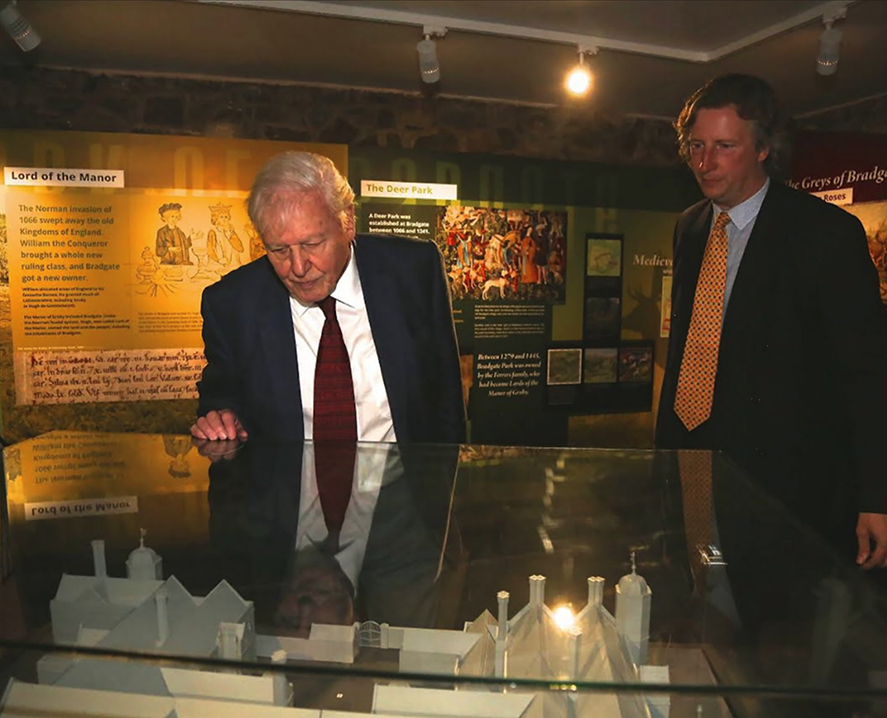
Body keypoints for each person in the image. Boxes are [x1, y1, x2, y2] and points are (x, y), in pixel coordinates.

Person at [655, 74, 887, 570]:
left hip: (783, 482)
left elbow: (867, 374)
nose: (704, 162)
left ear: (763, 149)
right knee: (701, 597)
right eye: (696, 145)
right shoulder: (691, 226)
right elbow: (687, 351)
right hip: (694, 465)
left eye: (724, 146)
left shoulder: (825, 234)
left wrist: (877, 497)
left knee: (772, 629)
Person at [190, 151, 466, 446]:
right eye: (279, 250)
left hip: (404, 486)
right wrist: (220, 417)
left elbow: (446, 397)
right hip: (286, 490)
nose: (297, 267)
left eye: (312, 243)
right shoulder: (232, 303)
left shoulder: (413, 271)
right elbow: (220, 394)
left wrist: (448, 485)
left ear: (347, 221)